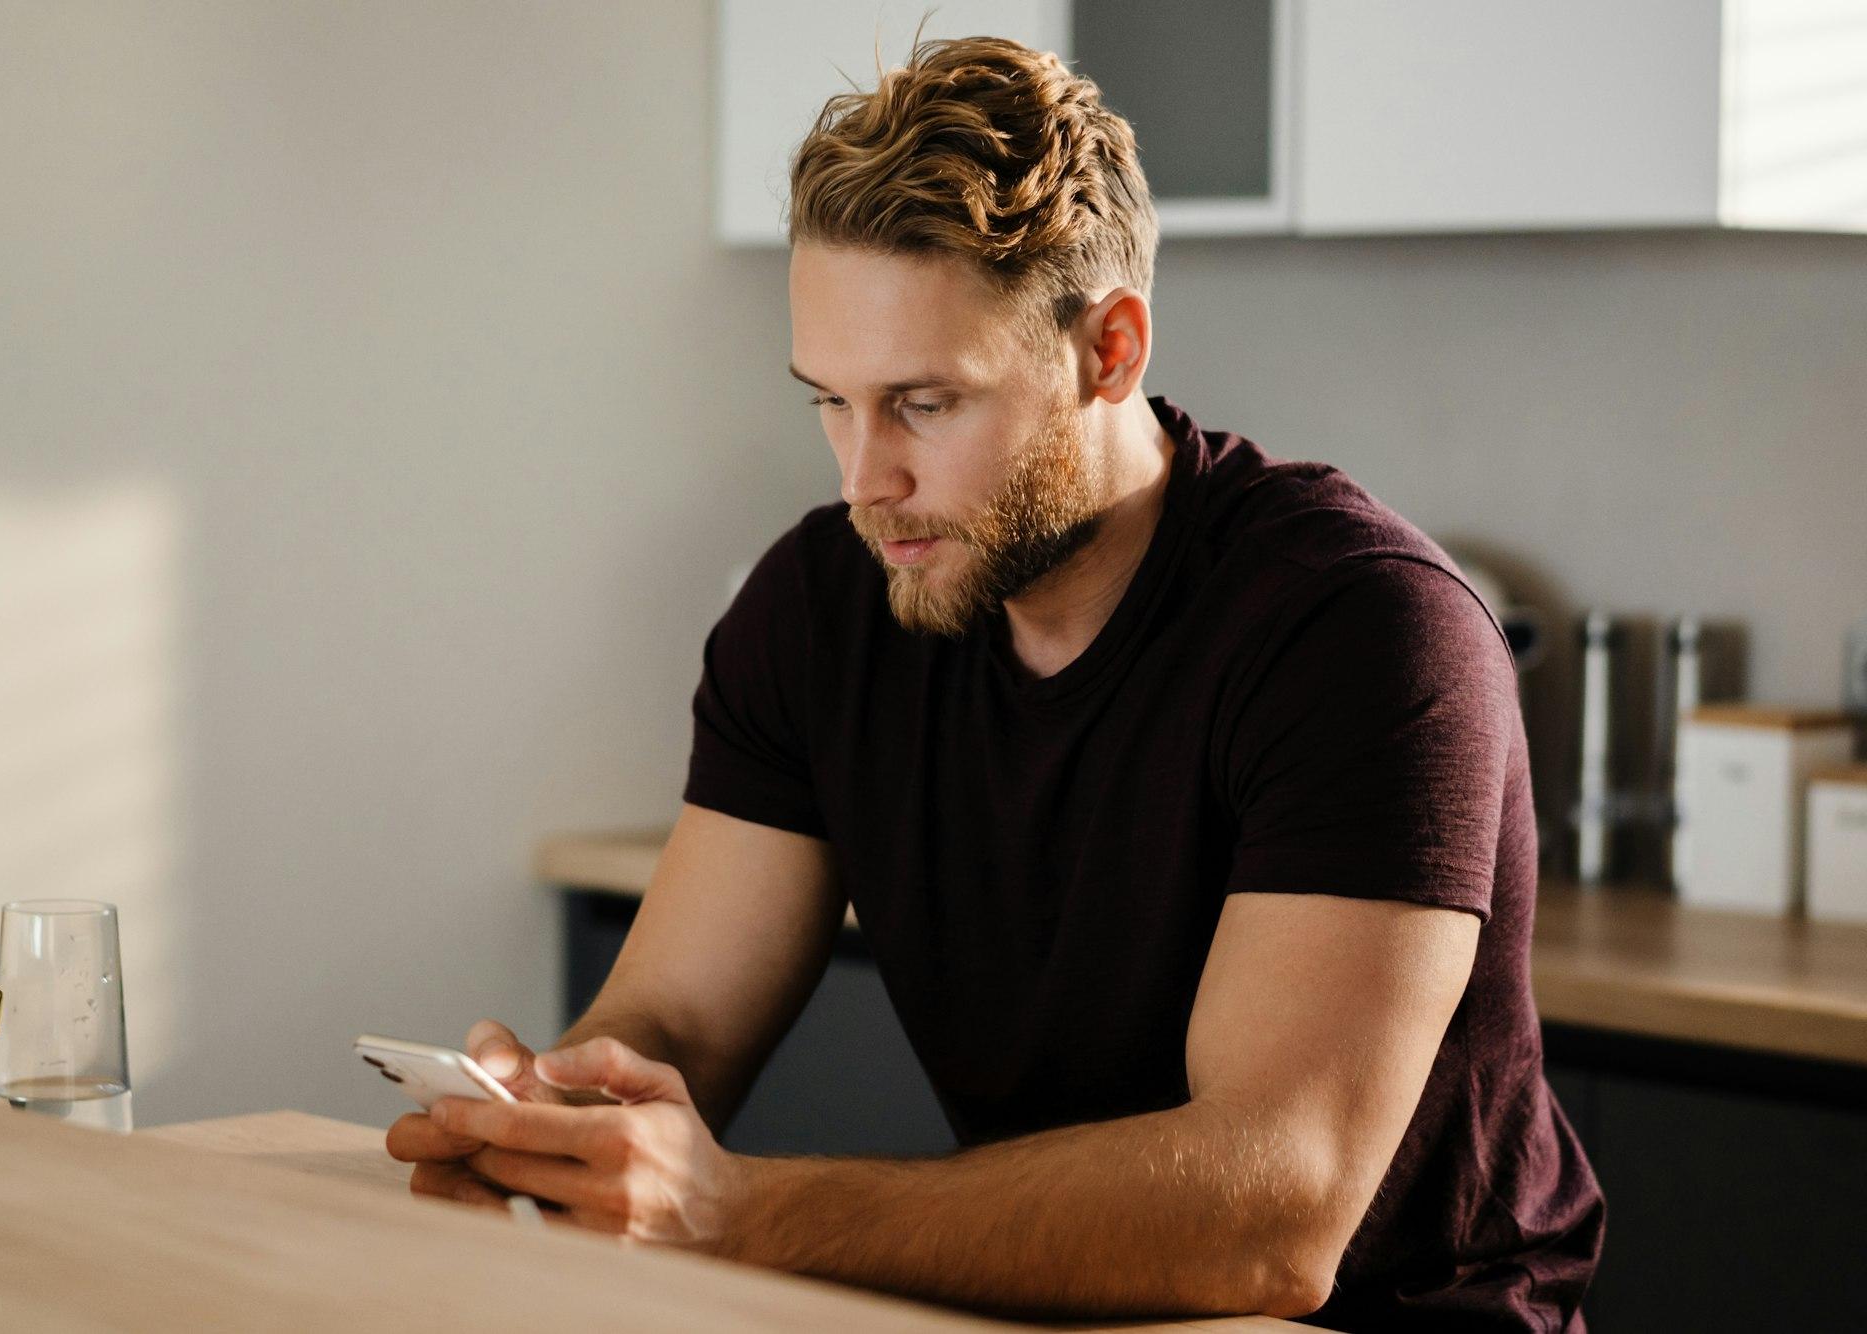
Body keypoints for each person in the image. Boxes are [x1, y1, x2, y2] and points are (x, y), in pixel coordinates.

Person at [386, 34, 1604, 1330]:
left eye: (922, 403)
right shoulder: (820, 607)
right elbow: (680, 1010)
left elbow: (1276, 1206)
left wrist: (744, 1210)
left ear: (1110, 350)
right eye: (832, 403)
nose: (865, 480)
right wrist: (561, 1117)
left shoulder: (1363, 633)